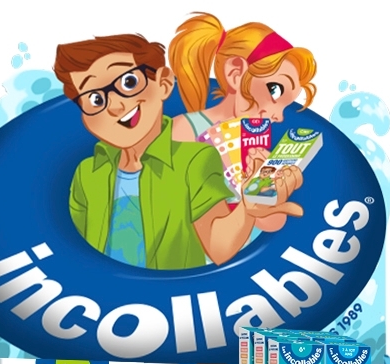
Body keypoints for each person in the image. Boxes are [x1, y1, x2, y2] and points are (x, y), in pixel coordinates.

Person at [55, 32, 300, 269]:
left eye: (129, 83)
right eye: (95, 99)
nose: (116, 106)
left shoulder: (194, 160)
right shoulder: (87, 173)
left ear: (163, 83)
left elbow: (218, 247)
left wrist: (248, 208)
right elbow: (75, 250)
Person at [169, 17, 316, 237]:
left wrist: (270, 193)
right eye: (274, 90)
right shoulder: (185, 130)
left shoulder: (254, 141)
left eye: (286, 105)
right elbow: (176, 215)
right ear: (236, 74)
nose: (278, 117)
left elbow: (271, 225)